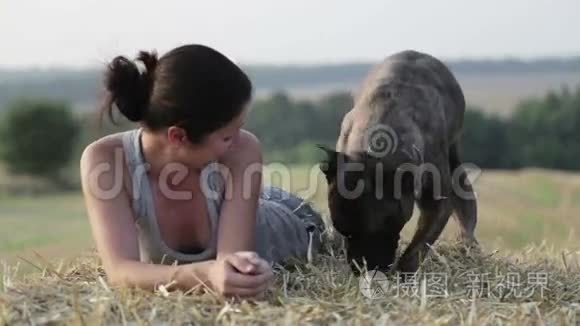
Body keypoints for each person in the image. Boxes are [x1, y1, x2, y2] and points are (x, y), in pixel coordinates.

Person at [80, 44, 326, 298]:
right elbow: (120, 273)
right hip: (251, 197)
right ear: (178, 136)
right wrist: (207, 275)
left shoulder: (243, 149)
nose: (238, 139)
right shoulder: (106, 162)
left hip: (289, 217)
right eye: (228, 135)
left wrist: (213, 274)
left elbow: (232, 266)